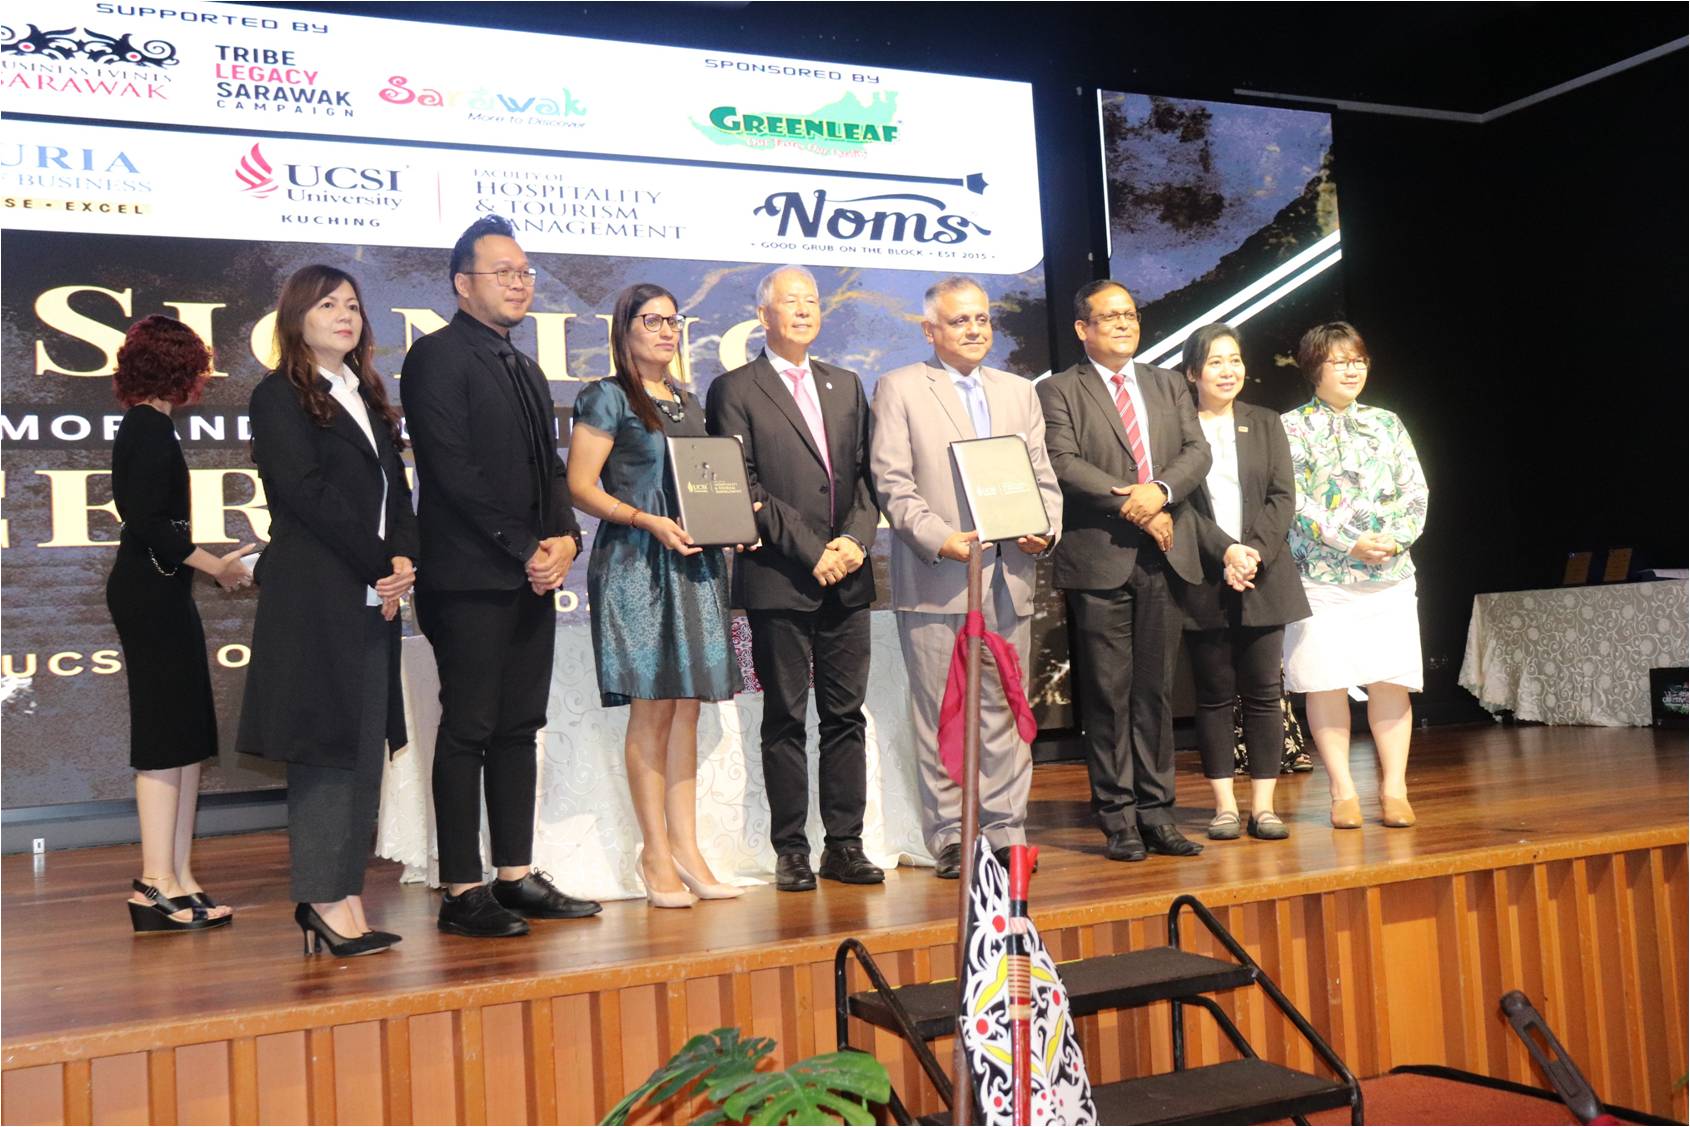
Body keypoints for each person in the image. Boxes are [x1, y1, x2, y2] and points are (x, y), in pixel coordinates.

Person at [401, 216, 601, 936]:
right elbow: (451, 470)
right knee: (469, 728)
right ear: (463, 283)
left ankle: (514, 876)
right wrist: (526, 548)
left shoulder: (523, 365)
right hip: (468, 577)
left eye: (525, 273)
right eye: (503, 272)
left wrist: (566, 539)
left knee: (519, 727)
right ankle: (461, 888)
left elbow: (549, 469)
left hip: (529, 575)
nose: (519, 284)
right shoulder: (435, 357)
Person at [239, 265, 418, 957]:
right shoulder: (277, 396)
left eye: (352, 305)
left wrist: (403, 558)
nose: (345, 315)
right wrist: (380, 563)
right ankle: (321, 897)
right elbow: (307, 494)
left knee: (363, 746)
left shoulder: (365, 394)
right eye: (327, 305)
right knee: (324, 747)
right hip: (316, 593)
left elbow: (397, 493)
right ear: (297, 318)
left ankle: (346, 893)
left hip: (373, 591)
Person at [869, 276, 1062, 879]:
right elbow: (892, 482)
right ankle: (952, 835)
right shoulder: (901, 387)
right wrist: (939, 538)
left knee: (1005, 709)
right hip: (939, 576)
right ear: (930, 330)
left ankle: (1006, 830)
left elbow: (1042, 478)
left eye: (981, 318)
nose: (975, 329)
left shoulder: (1018, 392)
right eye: (960, 320)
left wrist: (1044, 529)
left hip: (1009, 577)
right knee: (941, 713)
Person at [704, 266, 884, 893]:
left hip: (848, 575)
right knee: (785, 716)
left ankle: (845, 845)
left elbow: (868, 477)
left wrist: (854, 542)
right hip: (780, 576)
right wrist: (813, 552)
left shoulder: (846, 383)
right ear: (764, 315)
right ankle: (791, 849)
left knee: (845, 716)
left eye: (812, 300)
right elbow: (742, 483)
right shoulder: (734, 388)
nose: (804, 310)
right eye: (790, 301)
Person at [568, 283, 744, 908]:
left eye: (674, 321)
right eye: (653, 321)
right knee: (653, 709)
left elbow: (707, 484)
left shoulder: (688, 401)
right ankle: (655, 854)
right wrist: (646, 520)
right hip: (637, 565)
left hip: (695, 563)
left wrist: (733, 521)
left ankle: (688, 849)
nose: (667, 331)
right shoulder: (607, 396)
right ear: (624, 329)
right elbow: (580, 486)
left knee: (687, 707)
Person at [1037, 280, 1210, 862]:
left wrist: (1159, 492)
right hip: (1099, 558)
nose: (1122, 324)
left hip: (1165, 555)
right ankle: (1118, 818)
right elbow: (1063, 462)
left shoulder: (1167, 383)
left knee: (1155, 693)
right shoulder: (1059, 389)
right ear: (1082, 328)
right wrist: (1136, 505)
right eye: (1109, 316)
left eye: (1130, 315)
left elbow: (1196, 452)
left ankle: (1157, 813)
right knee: (1109, 696)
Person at [106, 315, 249, 933]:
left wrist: (209, 568)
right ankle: (153, 884)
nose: (203, 377)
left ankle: (180, 877)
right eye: (198, 365)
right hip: (148, 594)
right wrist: (216, 566)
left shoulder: (153, 425)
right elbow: (144, 520)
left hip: (162, 592)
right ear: (179, 368)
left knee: (187, 736)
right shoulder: (145, 426)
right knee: (166, 735)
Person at [1280, 322, 1428, 829]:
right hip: (1323, 576)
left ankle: (1394, 789)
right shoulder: (1291, 427)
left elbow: (1415, 491)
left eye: (1358, 360)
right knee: (1325, 681)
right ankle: (1343, 790)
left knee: (1391, 679)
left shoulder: (1387, 423)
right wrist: (1349, 541)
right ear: (1313, 367)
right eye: (1339, 361)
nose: (1352, 369)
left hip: (1388, 573)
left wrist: (1395, 539)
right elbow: (1295, 500)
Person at [1172, 324, 1311, 841]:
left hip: (1262, 574)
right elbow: (1179, 506)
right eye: (1215, 362)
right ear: (1193, 373)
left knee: (1263, 693)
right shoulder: (1175, 429)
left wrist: (1252, 553)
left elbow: (1282, 497)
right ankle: (1224, 807)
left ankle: (1264, 808)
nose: (1228, 370)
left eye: (1234, 360)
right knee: (1213, 695)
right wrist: (1226, 551)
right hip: (1203, 574)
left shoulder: (1265, 421)